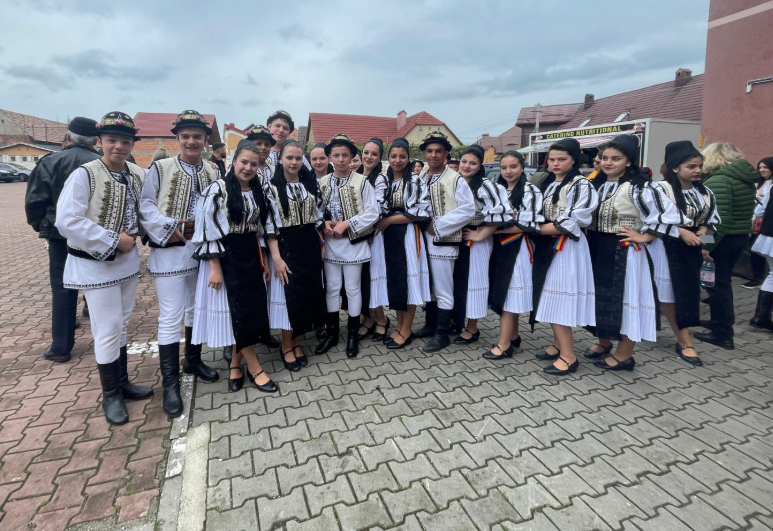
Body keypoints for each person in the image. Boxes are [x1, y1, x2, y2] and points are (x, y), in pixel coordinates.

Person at [55, 111, 152, 425]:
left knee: (121, 324)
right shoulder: (84, 174)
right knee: (107, 327)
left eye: (125, 141)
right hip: (95, 264)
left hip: (126, 261)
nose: (119, 146)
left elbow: (146, 209)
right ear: (100, 141)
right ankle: (110, 394)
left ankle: (122, 384)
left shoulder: (136, 173)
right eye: (112, 140)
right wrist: (113, 239)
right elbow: (67, 221)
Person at [139, 110, 220, 418]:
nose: (191, 141)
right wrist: (169, 225)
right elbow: (146, 204)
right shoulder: (160, 168)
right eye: (185, 136)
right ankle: (170, 383)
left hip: (200, 252)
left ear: (205, 139)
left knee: (195, 308)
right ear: (177, 138)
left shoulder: (211, 171)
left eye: (197, 136)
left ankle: (193, 360)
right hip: (170, 251)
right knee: (171, 316)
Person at [192, 140, 278, 393]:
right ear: (234, 161)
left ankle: (235, 364)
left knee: (248, 310)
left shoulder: (258, 190)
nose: (248, 168)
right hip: (226, 255)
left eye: (254, 164)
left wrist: (263, 261)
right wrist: (215, 268)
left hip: (250, 254)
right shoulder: (217, 189)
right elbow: (207, 230)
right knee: (236, 311)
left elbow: (260, 230)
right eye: (244, 162)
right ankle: (255, 367)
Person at [25, 116, 100, 364]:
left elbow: (35, 200)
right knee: (98, 280)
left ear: (68, 137)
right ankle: (100, 331)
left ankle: (61, 346)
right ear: (96, 141)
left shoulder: (50, 161)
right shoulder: (101, 163)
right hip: (94, 235)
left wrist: (41, 225)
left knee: (63, 286)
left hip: (60, 235)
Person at [584, 135, 660, 371]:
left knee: (625, 299)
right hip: (596, 245)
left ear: (628, 161)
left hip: (623, 249)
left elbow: (664, 214)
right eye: (605, 158)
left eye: (616, 159)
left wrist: (646, 236)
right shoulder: (596, 184)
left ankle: (624, 355)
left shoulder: (639, 186)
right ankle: (604, 341)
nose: (608, 163)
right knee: (599, 296)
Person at [647, 141, 720, 366]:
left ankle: (675, 332)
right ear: (675, 167)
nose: (697, 170)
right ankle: (684, 341)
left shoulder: (705, 192)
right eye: (691, 166)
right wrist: (680, 231)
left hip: (690, 247)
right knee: (669, 293)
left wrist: (704, 235)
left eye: (699, 166)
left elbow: (710, 221)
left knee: (686, 291)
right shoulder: (659, 189)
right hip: (664, 246)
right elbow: (651, 219)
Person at [531, 138, 598, 375]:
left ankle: (569, 356)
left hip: (566, 246)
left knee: (559, 298)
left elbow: (572, 221)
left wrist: (534, 229)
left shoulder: (581, 185)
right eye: (552, 159)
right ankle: (558, 344)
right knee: (549, 295)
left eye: (562, 159)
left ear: (573, 160)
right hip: (549, 244)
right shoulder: (550, 183)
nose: (556, 163)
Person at [315, 134, 380, 358]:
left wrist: (348, 223)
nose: (341, 159)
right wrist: (323, 223)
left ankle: (352, 335)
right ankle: (332, 333)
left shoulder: (362, 182)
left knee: (352, 288)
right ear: (330, 157)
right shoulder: (323, 182)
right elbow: (315, 210)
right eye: (336, 155)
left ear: (352, 156)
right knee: (332, 287)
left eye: (345, 155)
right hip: (331, 243)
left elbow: (373, 212)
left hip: (353, 243)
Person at [265, 140, 327, 369]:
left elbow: (318, 216)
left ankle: (297, 341)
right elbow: (269, 227)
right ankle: (286, 345)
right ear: (280, 159)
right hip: (286, 244)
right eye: (289, 157)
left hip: (308, 243)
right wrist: (276, 258)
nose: (294, 162)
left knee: (306, 294)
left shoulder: (309, 185)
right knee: (289, 295)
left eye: (298, 158)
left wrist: (322, 239)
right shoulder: (270, 188)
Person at [412, 131, 475, 353]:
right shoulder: (420, 177)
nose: (433, 155)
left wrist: (438, 224)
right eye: (429, 151)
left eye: (438, 151)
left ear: (446, 153)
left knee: (443, 287)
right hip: (422, 239)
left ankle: (442, 333)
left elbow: (468, 209)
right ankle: (430, 325)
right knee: (429, 285)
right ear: (423, 153)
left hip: (444, 241)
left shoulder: (455, 179)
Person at [695, 143, 757, 350]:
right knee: (722, 283)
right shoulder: (742, 178)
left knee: (717, 285)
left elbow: (718, 220)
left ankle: (722, 333)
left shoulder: (720, 180)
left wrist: (707, 246)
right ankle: (718, 322)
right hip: (738, 237)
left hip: (723, 239)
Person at [452, 145, 512, 345]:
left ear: (479, 166)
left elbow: (500, 212)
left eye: (472, 163)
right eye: (464, 162)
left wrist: (480, 234)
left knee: (474, 281)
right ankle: (457, 320)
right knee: (459, 280)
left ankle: (472, 327)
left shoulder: (485, 185)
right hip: (457, 238)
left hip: (476, 239)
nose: (467, 166)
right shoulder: (456, 182)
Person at [486, 150, 543, 359]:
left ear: (522, 167)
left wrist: (492, 230)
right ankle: (513, 335)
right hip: (499, 247)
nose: (508, 171)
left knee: (509, 295)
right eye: (504, 167)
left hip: (518, 247)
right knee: (505, 292)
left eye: (513, 166)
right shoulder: (497, 189)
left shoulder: (530, 191)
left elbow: (527, 224)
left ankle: (504, 344)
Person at [377, 137, 431, 349]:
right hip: (390, 236)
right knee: (397, 281)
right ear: (388, 157)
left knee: (408, 281)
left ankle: (406, 330)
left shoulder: (415, 180)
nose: (397, 160)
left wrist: (390, 220)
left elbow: (419, 212)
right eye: (393, 156)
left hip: (408, 233)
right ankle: (399, 326)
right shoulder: (385, 180)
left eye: (402, 156)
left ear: (409, 158)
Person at [356, 138, 390, 342]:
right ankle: (368, 318)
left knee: (372, 277)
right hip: (356, 233)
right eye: (366, 152)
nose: (369, 157)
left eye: (374, 154)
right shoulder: (355, 174)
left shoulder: (380, 179)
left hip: (373, 235)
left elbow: (376, 208)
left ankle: (381, 319)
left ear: (379, 158)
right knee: (361, 279)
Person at [744, 157, 773, 289]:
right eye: (760, 167)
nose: (761, 170)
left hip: (765, 225)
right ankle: (756, 277)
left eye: (765, 167)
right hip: (757, 223)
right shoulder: (759, 184)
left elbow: (760, 209)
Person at [750, 175, 773, 330]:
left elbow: (759, 210)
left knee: (772, 274)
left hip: (767, 236)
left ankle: (761, 316)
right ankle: (761, 317)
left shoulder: (771, 187)